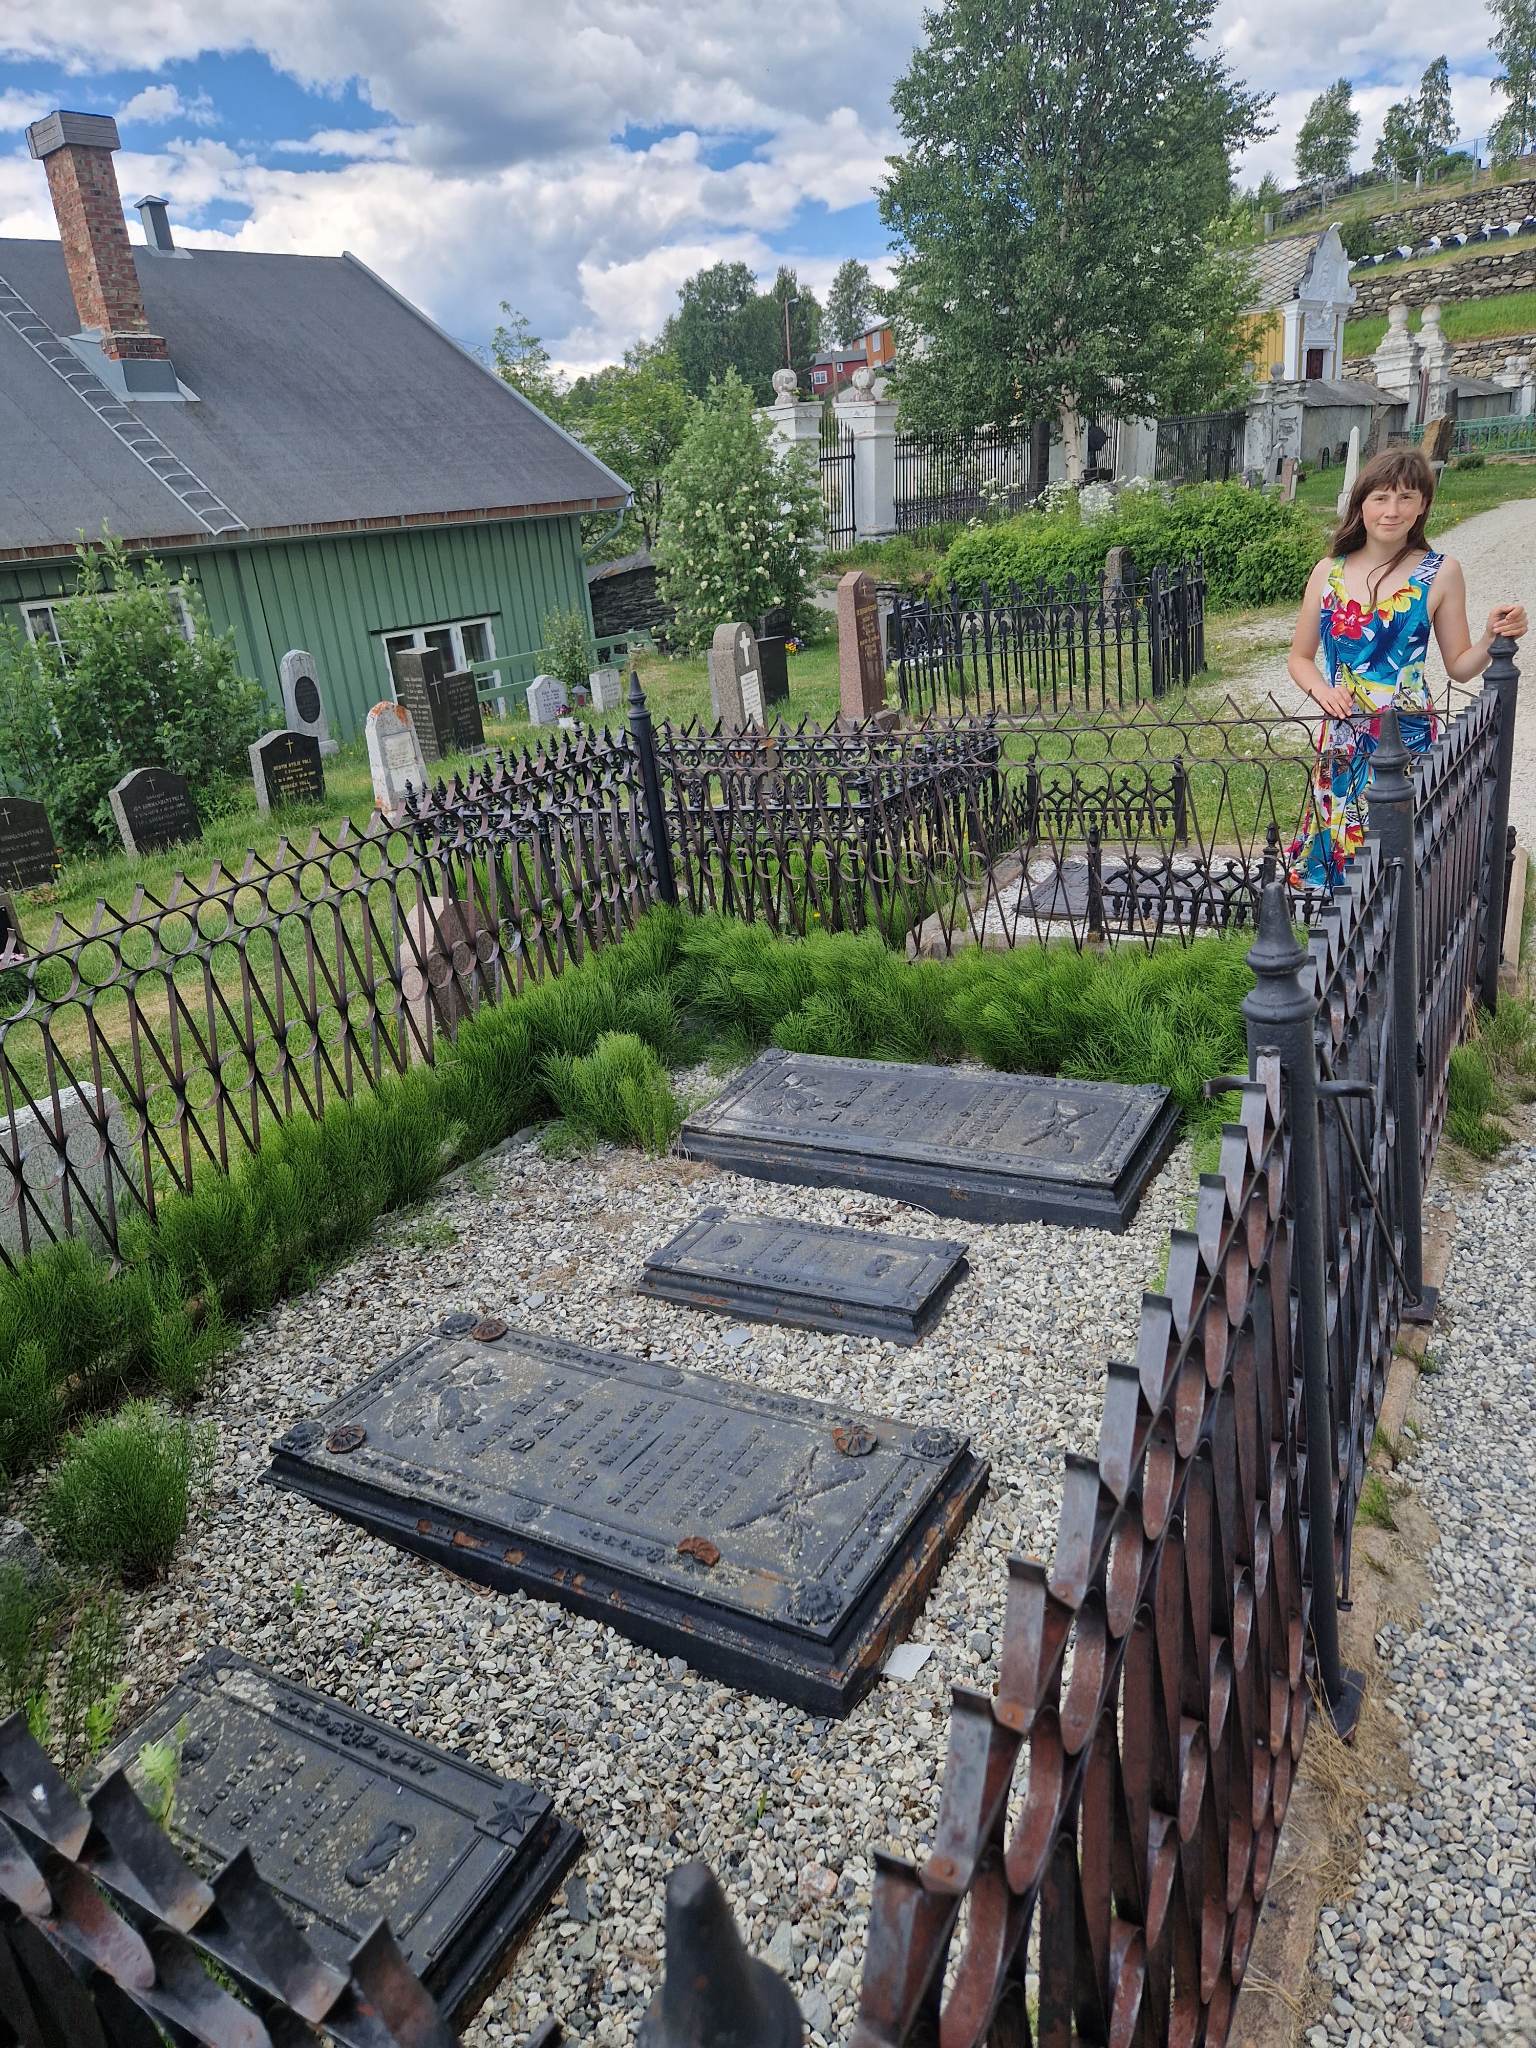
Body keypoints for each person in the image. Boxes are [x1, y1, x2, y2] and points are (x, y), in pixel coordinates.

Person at [1286, 447, 1527, 890]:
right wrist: (1324, 692)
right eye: (1381, 497)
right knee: (1343, 845)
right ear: (1361, 504)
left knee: (1403, 848)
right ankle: (1345, 949)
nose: (1392, 511)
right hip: (1342, 736)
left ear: (1422, 506)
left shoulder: (1441, 572)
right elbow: (1299, 658)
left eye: (1406, 498)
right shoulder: (1327, 572)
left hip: (1410, 735)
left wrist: (1494, 637)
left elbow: (1459, 666)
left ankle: (1399, 949)